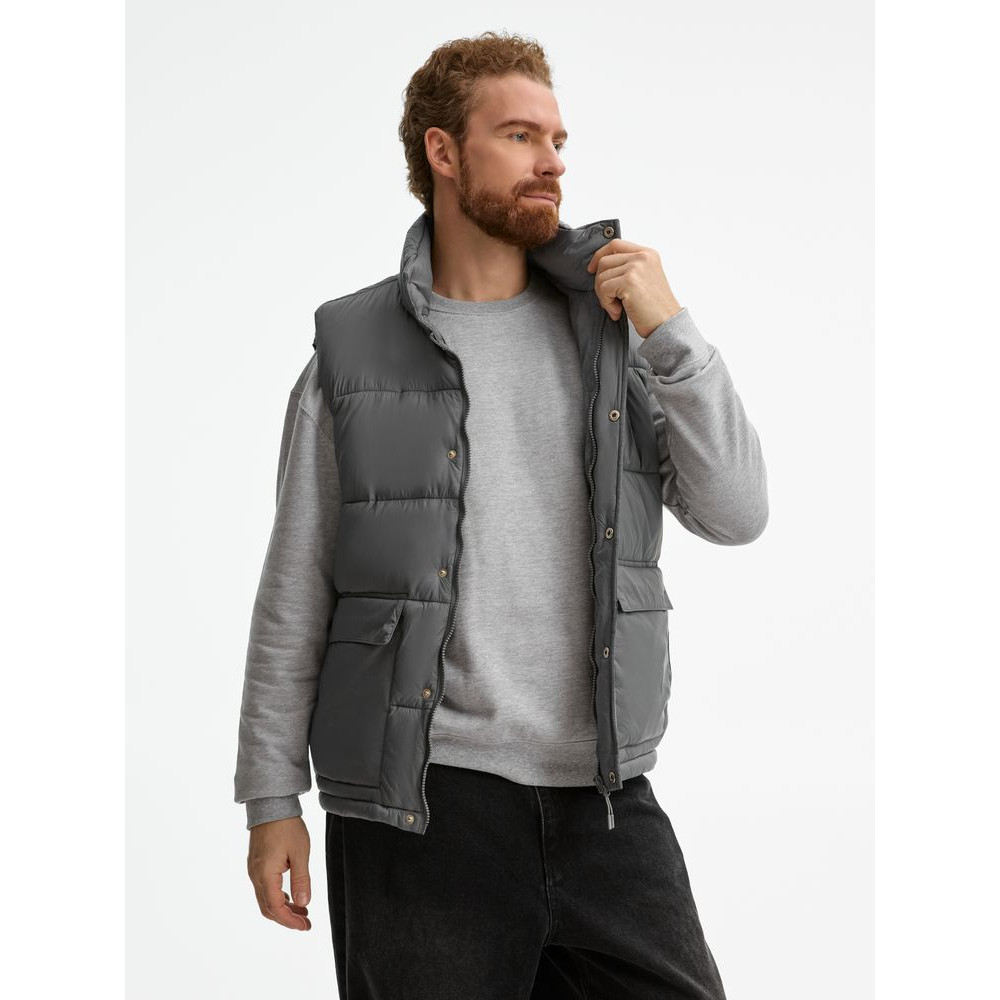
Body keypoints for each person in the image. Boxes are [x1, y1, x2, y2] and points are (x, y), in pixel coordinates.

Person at [234, 30, 768, 999]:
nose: (551, 160)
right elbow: (295, 588)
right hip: (420, 803)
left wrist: (672, 329)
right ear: (443, 152)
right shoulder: (352, 357)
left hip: (606, 800)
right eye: (520, 136)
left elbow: (736, 511)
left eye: (558, 140)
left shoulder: (614, 338)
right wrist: (272, 799)